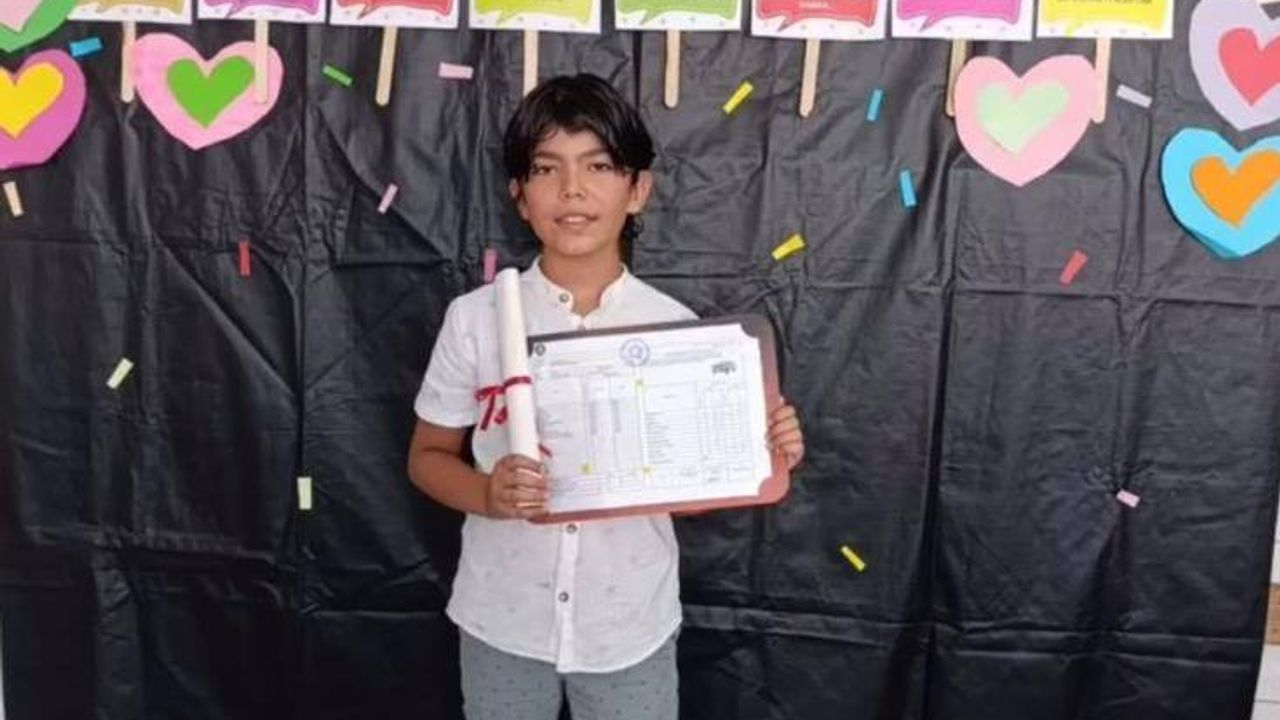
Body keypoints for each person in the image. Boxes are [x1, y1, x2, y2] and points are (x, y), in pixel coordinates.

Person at [407, 73, 805, 720]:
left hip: (628, 624)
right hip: (502, 617)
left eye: (598, 165)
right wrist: (487, 494)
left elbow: (692, 487)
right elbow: (426, 456)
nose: (572, 188)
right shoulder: (476, 318)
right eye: (546, 168)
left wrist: (759, 450)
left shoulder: (677, 331)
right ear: (518, 195)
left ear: (637, 189)